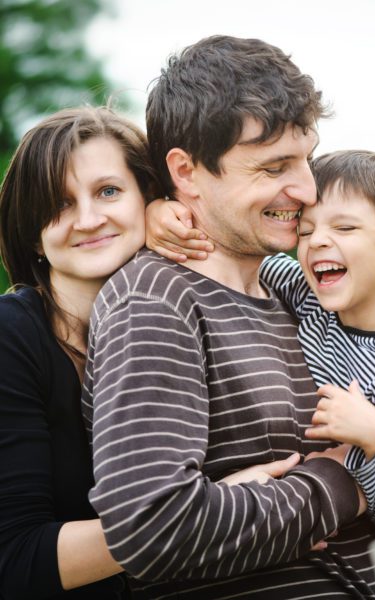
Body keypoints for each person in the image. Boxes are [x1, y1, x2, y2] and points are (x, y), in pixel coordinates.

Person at [82, 36, 375, 600]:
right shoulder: (156, 300)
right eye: (273, 168)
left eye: (306, 159)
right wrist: (333, 486)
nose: (307, 189)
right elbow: (152, 529)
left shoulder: (296, 289)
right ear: (187, 173)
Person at [147, 150, 375, 600]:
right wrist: (164, 216)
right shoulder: (311, 292)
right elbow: (241, 255)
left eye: (343, 227)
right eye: (306, 230)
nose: (316, 241)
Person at [0, 106, 158, 598]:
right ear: (32, 232)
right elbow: (16, 559)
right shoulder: (10, 336)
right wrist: (206, 515)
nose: (88, 220)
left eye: (108, 191)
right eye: (59, 202)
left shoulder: (175, 318)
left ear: (148, 200)